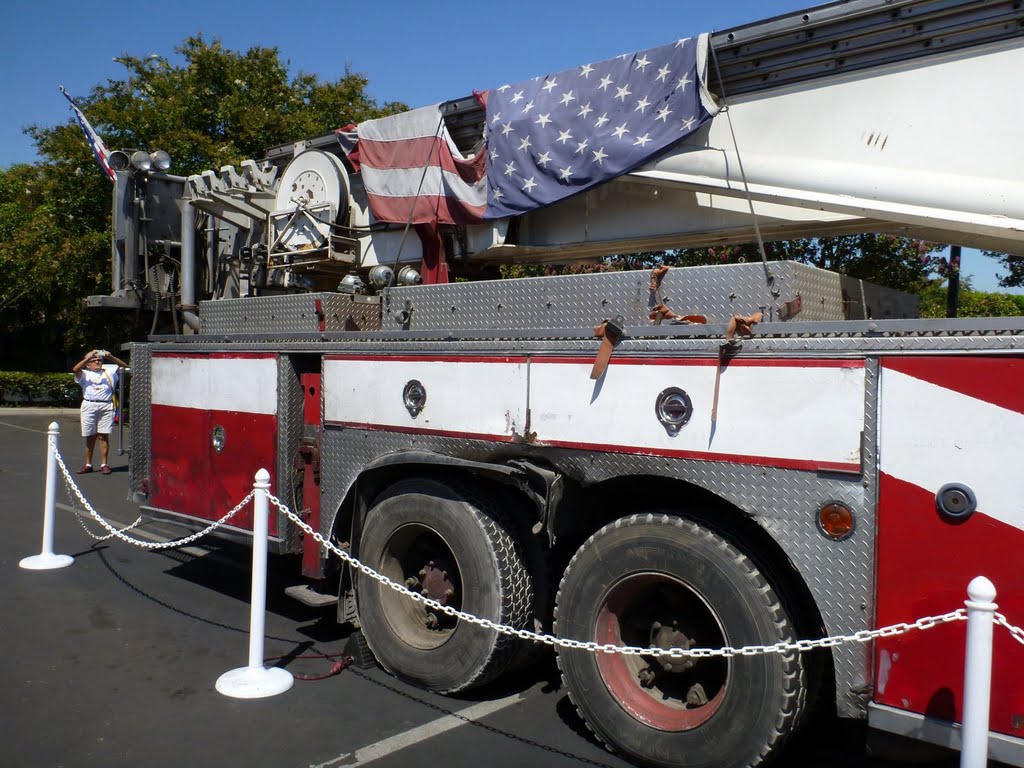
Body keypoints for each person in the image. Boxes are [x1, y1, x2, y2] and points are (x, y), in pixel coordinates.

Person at [72, 348, 128, 475]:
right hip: (89, 405)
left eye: (99, 360)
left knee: (103, 436)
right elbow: (75, 369)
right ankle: (88, 464)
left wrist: (111, 357)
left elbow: (125, 366)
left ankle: (104, 464)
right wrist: (88, 357)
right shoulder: (84, 374)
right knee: (90, 436)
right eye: (94, 360)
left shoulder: (110, 371)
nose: (97, 361)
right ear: (88, 364)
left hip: (106, 406)